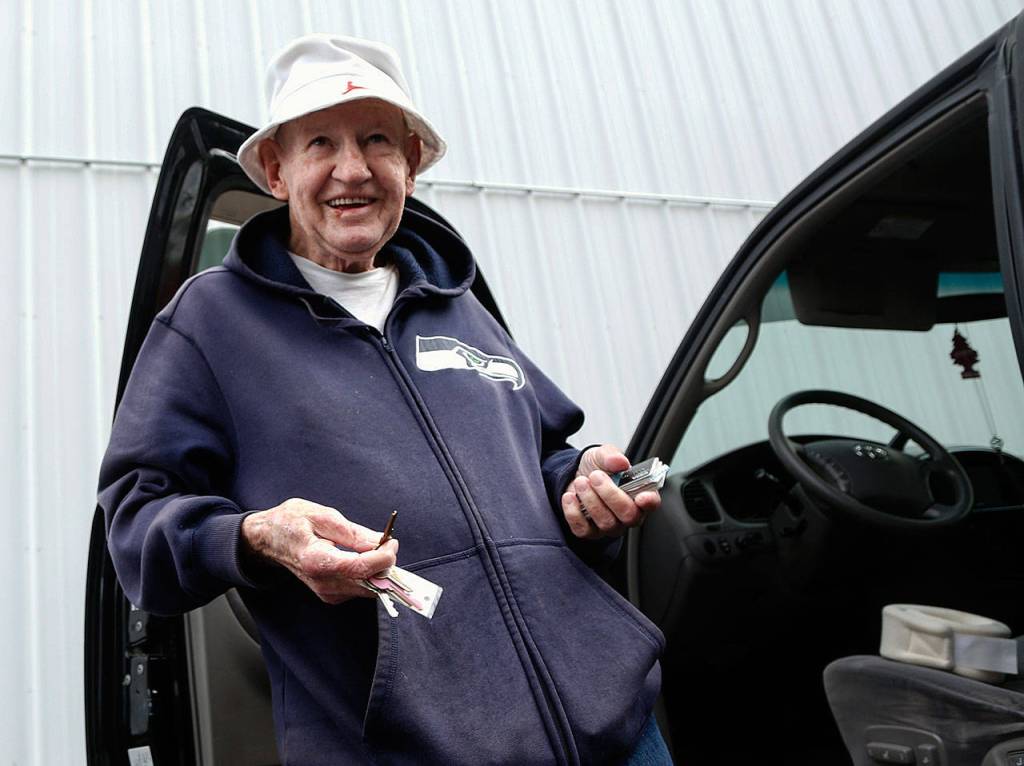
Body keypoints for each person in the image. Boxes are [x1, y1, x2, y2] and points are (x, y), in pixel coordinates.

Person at [99, 34, 671, 765]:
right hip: (410, 748)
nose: (353, 169)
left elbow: (545, 457)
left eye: (377, 141)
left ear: (410, 163)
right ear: (276, 171)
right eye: (320, 145)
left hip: (615, 724)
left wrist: (584, 480)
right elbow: (138, 523)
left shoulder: (459, 307)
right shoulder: (209, 325)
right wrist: (256, 536)